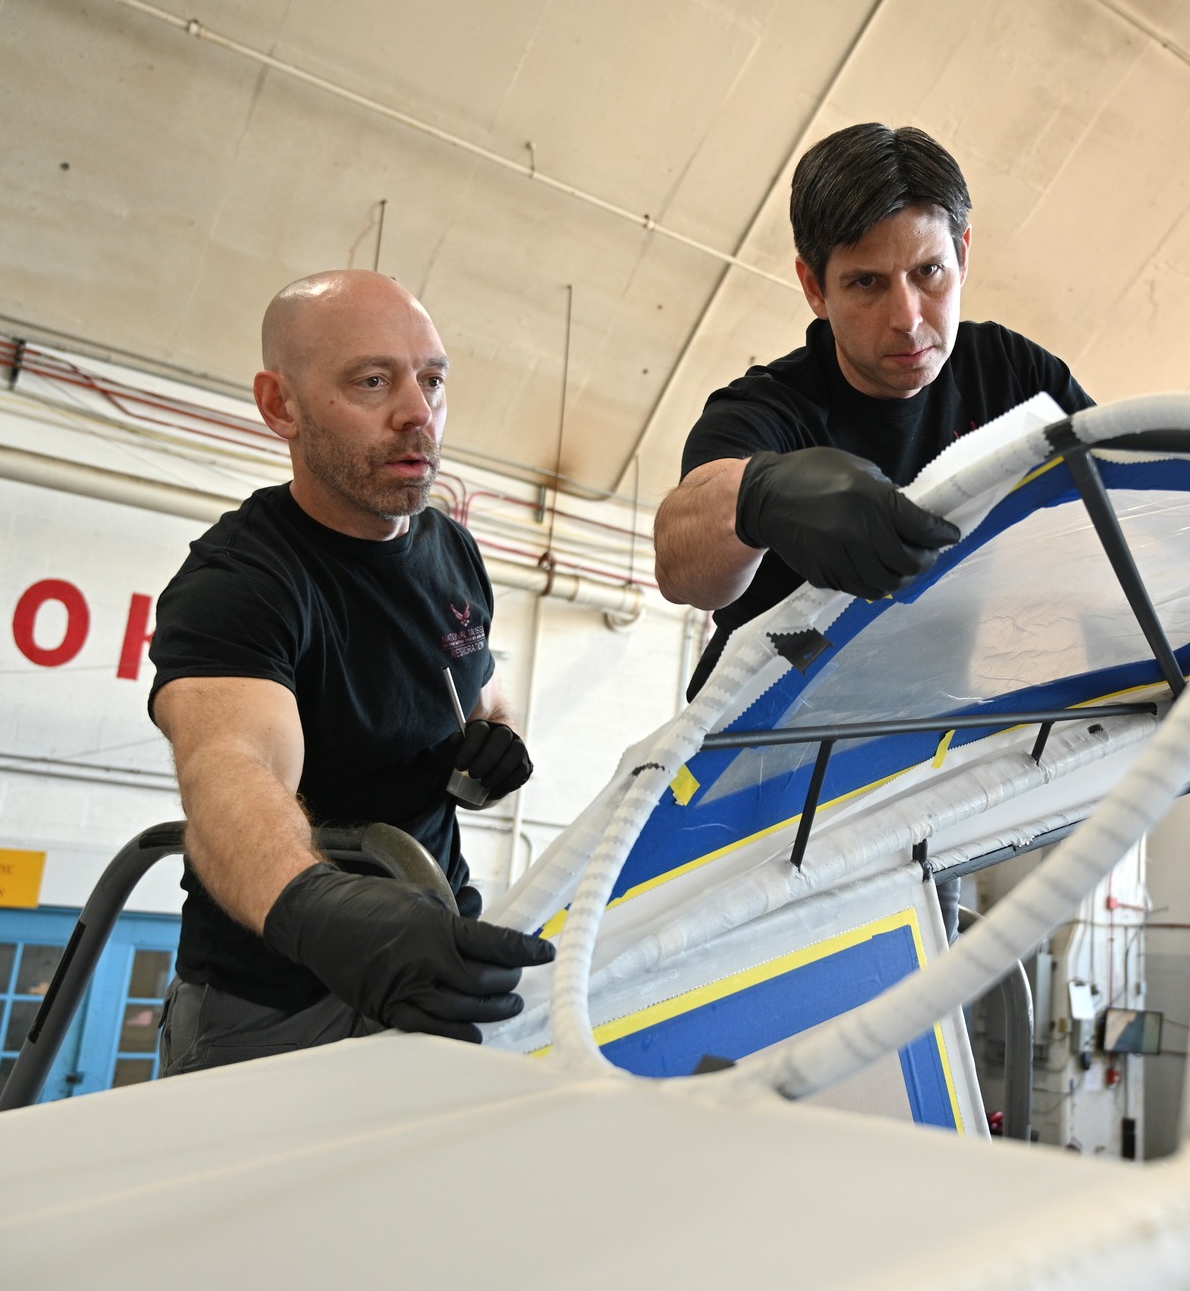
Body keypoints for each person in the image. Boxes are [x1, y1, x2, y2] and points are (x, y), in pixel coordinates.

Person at [147, 270, 554, 1076]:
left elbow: (478, 683)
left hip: (434, 946)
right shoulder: (242, 579)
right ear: (281, 406)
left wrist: (495, 736)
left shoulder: (452, 550)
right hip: (280, 995)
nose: (417, 413)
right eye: (372, 381)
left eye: (431, 380)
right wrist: (316, 907)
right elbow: (230, 769)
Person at [654, 123, 1094, 697]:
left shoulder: (1014, 375)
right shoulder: (767, 409)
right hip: (761, 729)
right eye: (867, 283)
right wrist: (759, 497)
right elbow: (680, 569)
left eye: (928, 272)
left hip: (928, 724)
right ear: (815, 287)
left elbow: (1135, 496)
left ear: (962, 254)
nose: (907, 318)